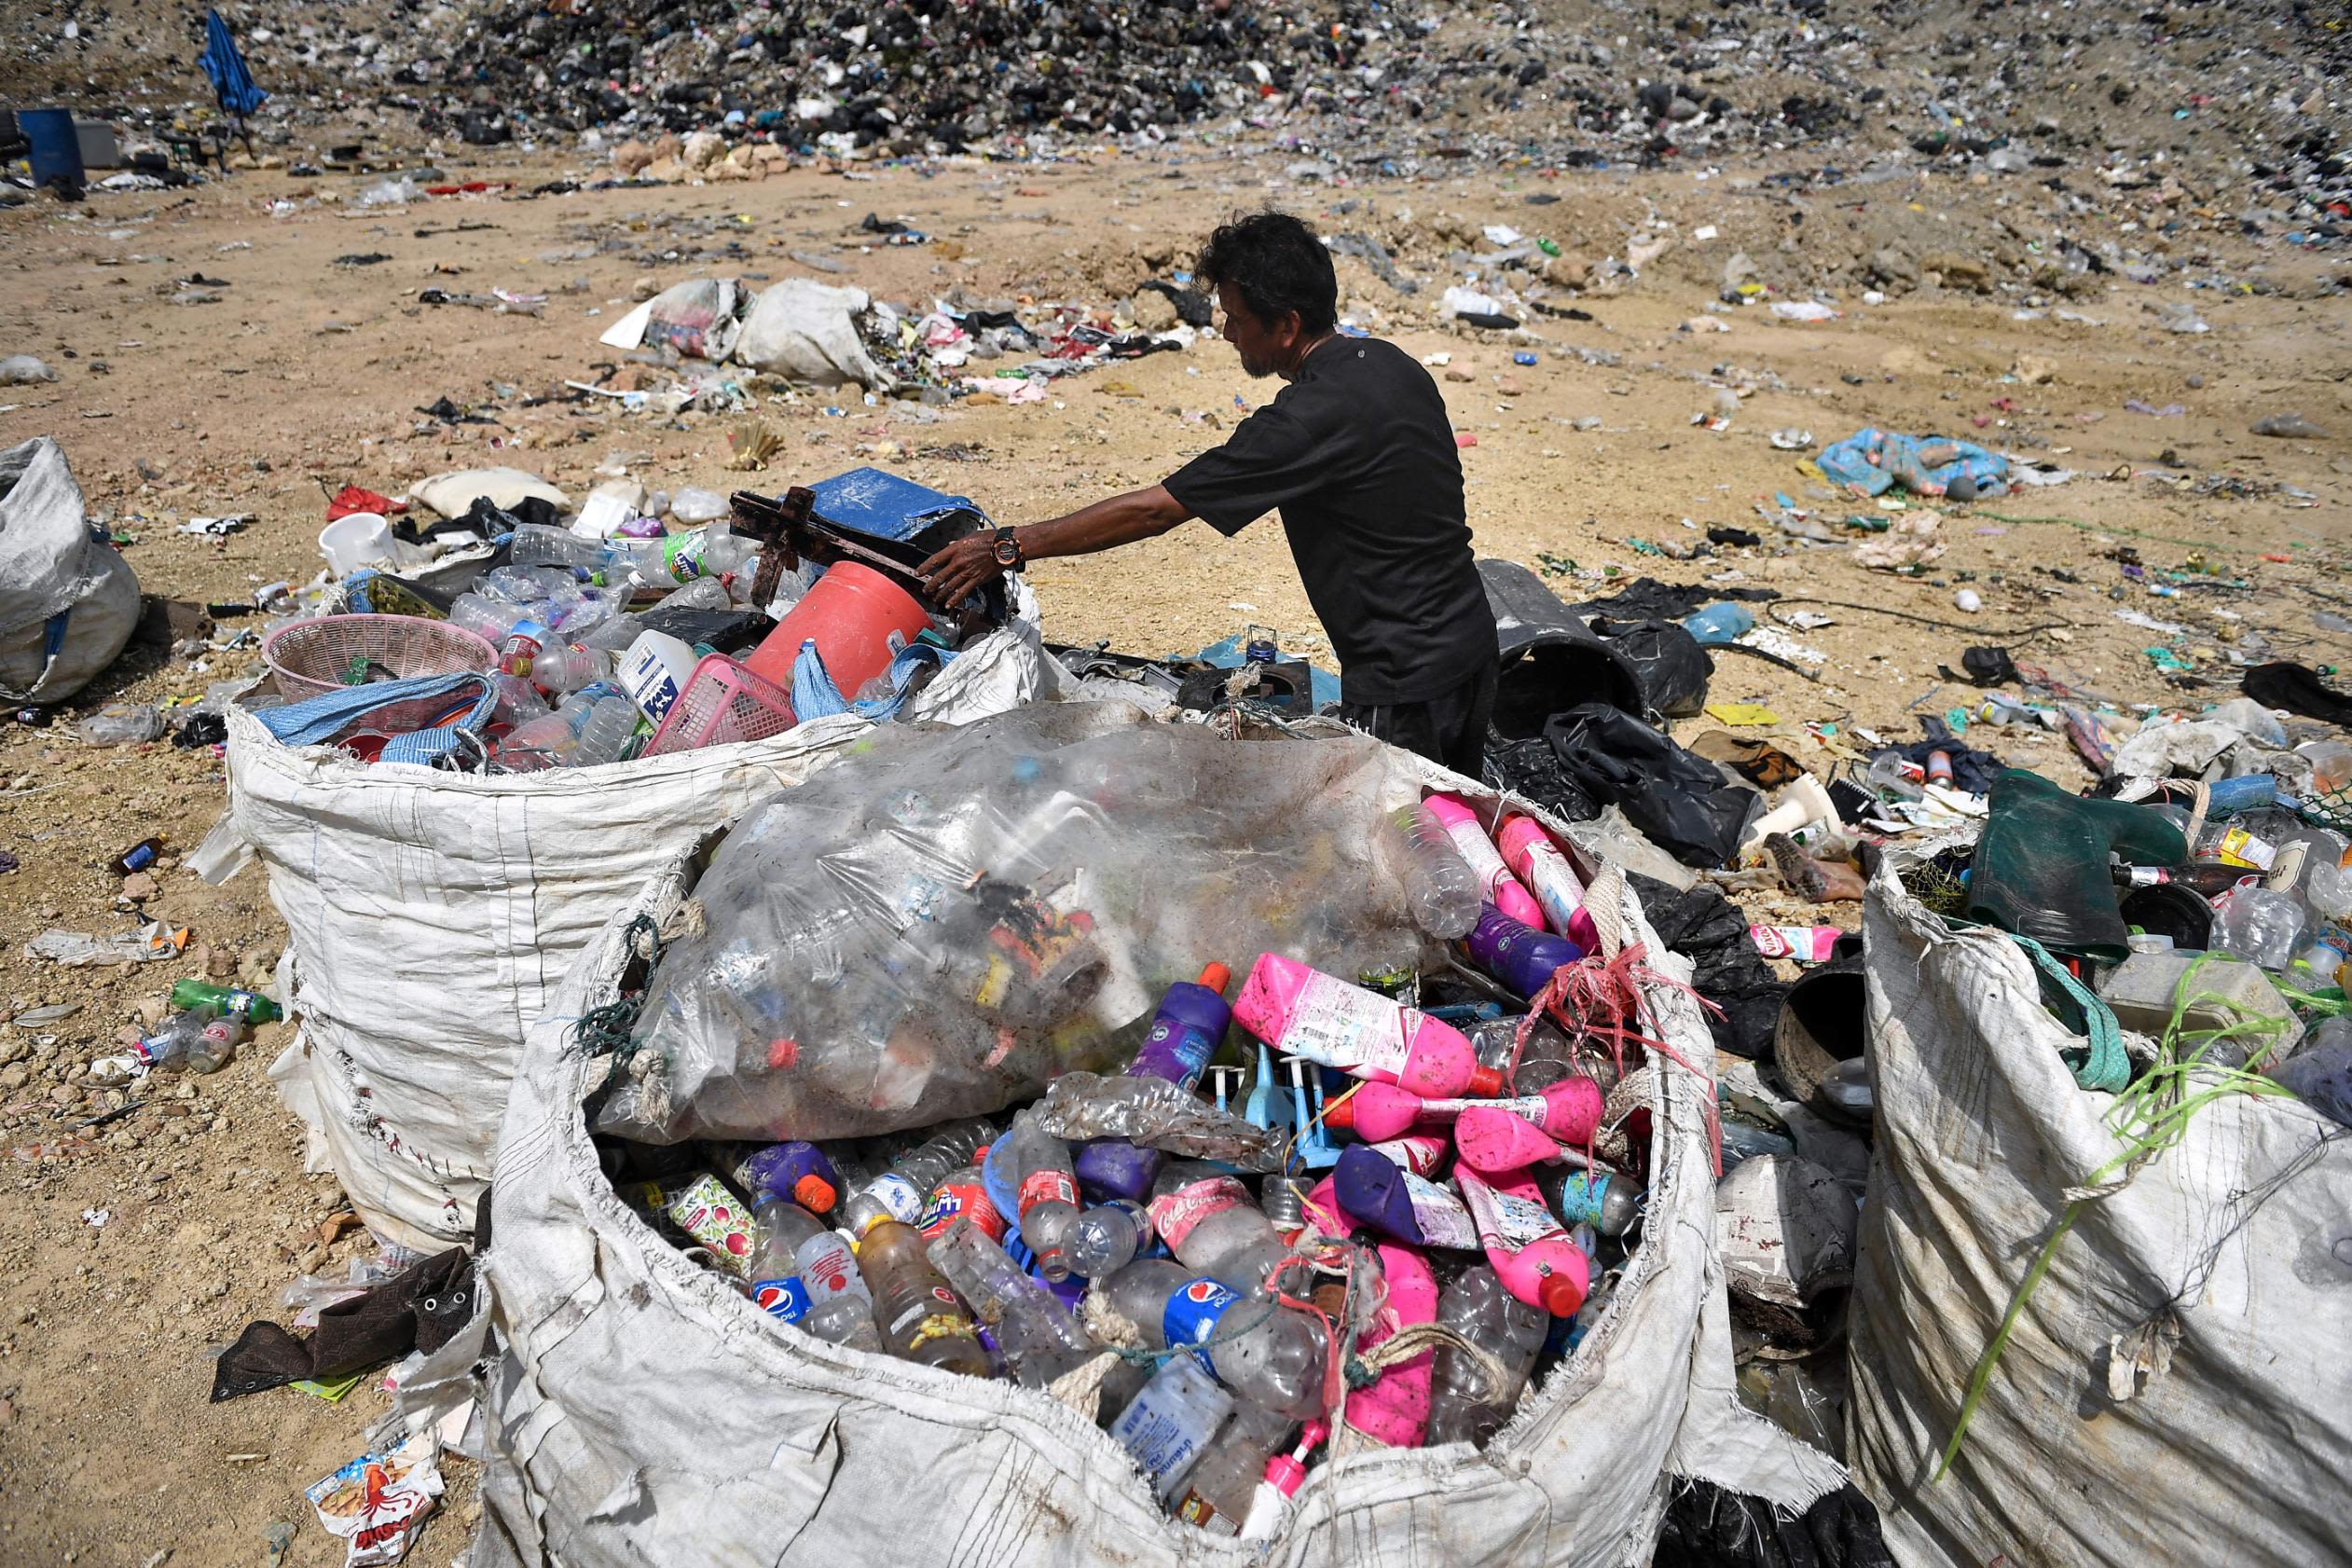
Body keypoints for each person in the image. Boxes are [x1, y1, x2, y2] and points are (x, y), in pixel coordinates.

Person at [918, 211, 1499, 776]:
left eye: (1238, 319)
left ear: (1288, 325)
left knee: (1406, 844)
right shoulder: (1393, 365)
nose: (1226, 331)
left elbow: (1154, 511)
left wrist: (1007, 546)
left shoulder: (1304, 423)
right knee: (1454, 822)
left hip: (1406, 680)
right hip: (1471, 645)